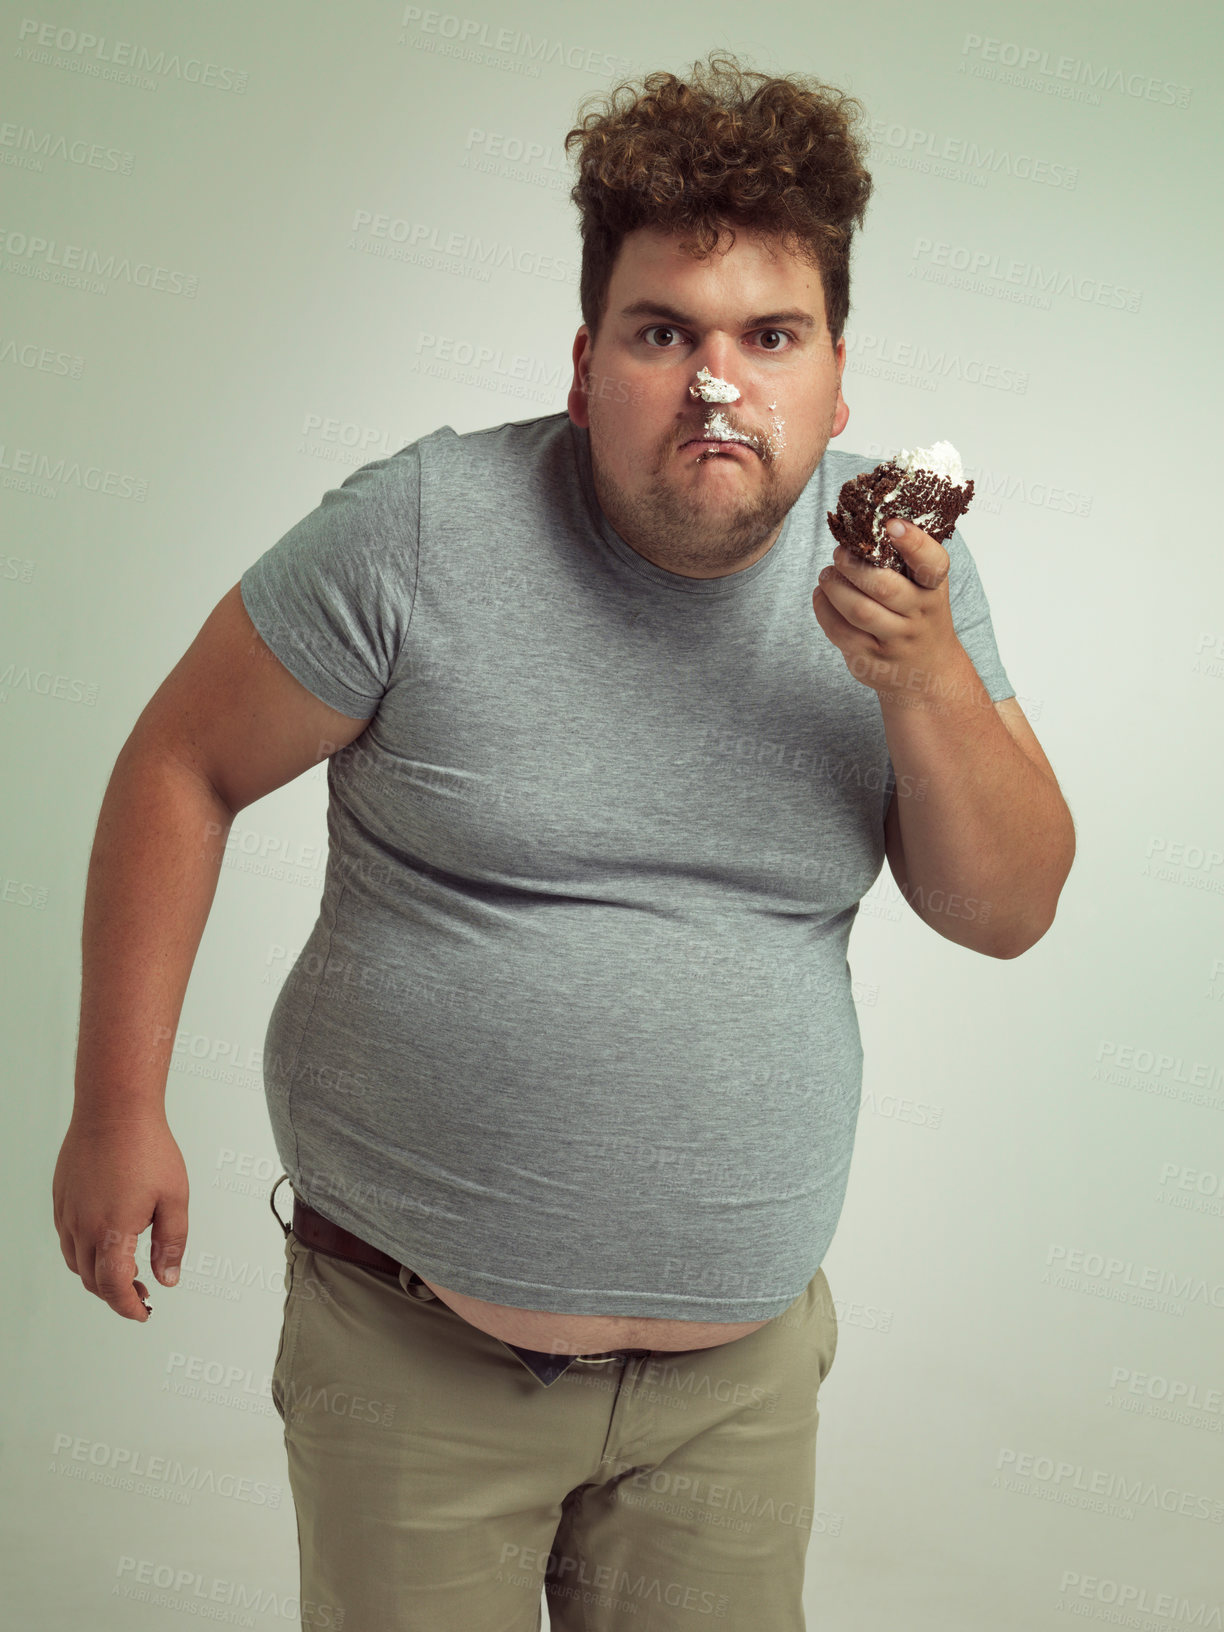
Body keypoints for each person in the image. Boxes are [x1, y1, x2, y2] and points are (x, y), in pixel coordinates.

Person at [53, 49, 1075, 1632]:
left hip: (733, 1391)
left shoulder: (906, 575)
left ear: (839, 378)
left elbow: (1005, 908)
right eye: (667, 333)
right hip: (412, 1350)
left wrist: (927, 679)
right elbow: (180, 763)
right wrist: (118, 1111)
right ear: (591, 358)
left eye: (769, 336)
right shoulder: (419, 532)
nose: (717, 383)